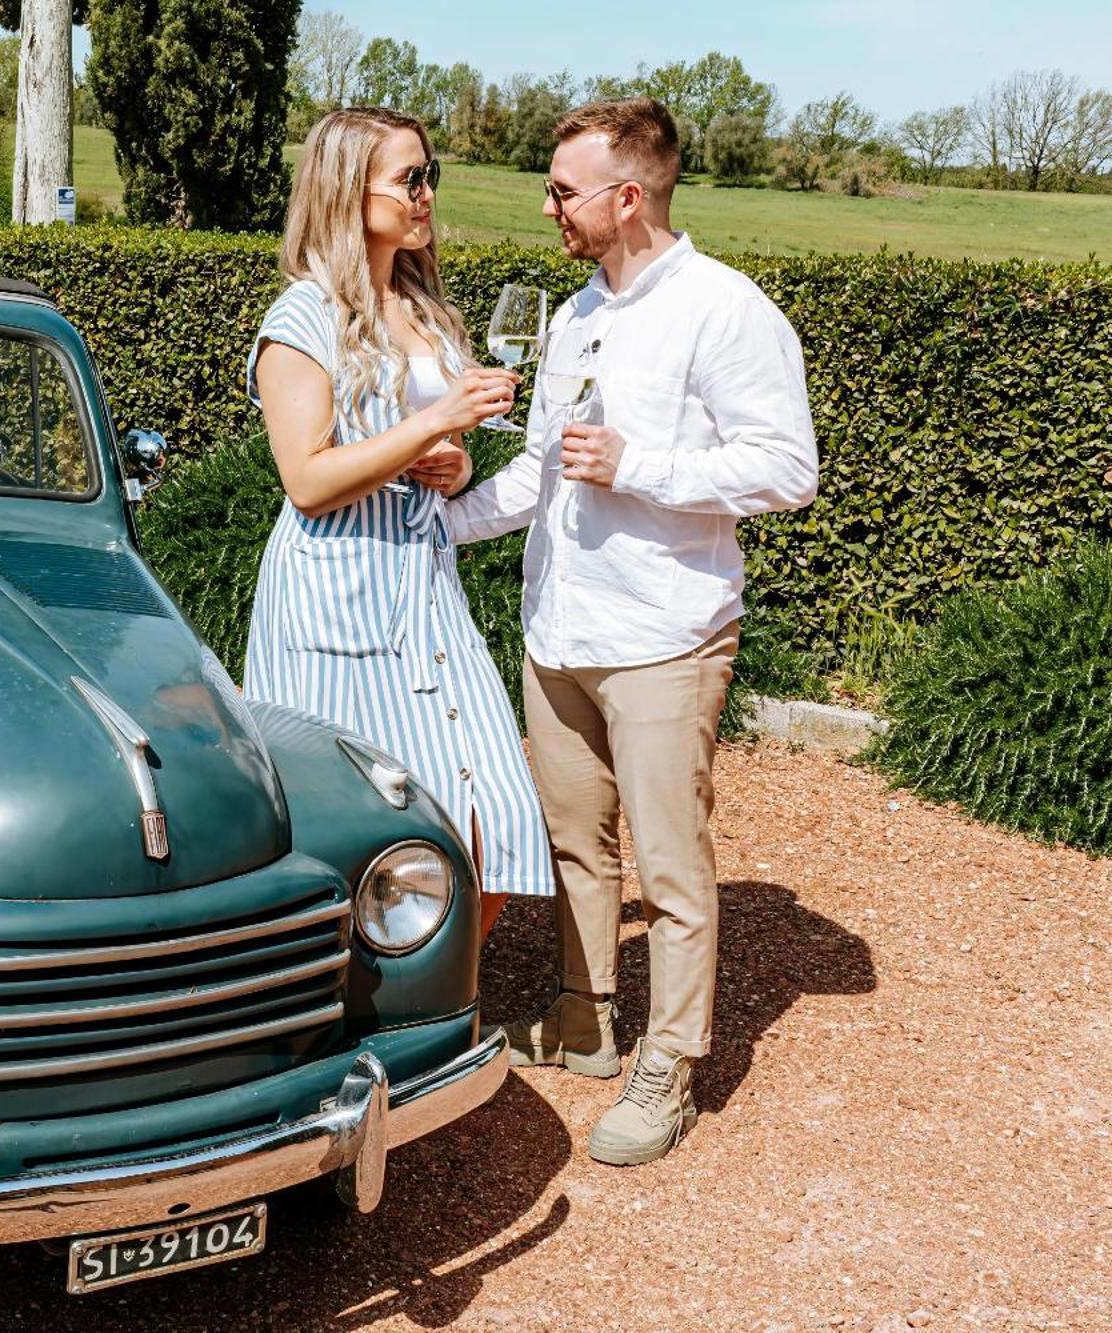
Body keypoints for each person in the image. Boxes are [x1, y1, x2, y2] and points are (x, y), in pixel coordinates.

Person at [442, 97, 818, 1166]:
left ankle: (671, 1065)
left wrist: (641, 468)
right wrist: (433, 520)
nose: (547, 205)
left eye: (563, 189)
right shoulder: (567, 314)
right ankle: (581, 1018)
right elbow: (537, 469)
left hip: (664, 633)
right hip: (557, 625)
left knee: (668, 861)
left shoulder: (724, 311)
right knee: (570, 840)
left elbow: (789, 471)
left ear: (626, 195)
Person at [243, 106, 558, 935]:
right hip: (336, 587)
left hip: (422, 581)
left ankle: (438, 995)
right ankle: (348, 1010)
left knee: (492, 810)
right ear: (351, 190)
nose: (426, 195)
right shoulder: (302, 319)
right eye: (409, 179)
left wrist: (452, 463)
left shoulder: (422, 305)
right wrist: (432, 421)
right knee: (348, 827)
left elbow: (421, 452)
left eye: (430, 176)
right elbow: (307, 480)